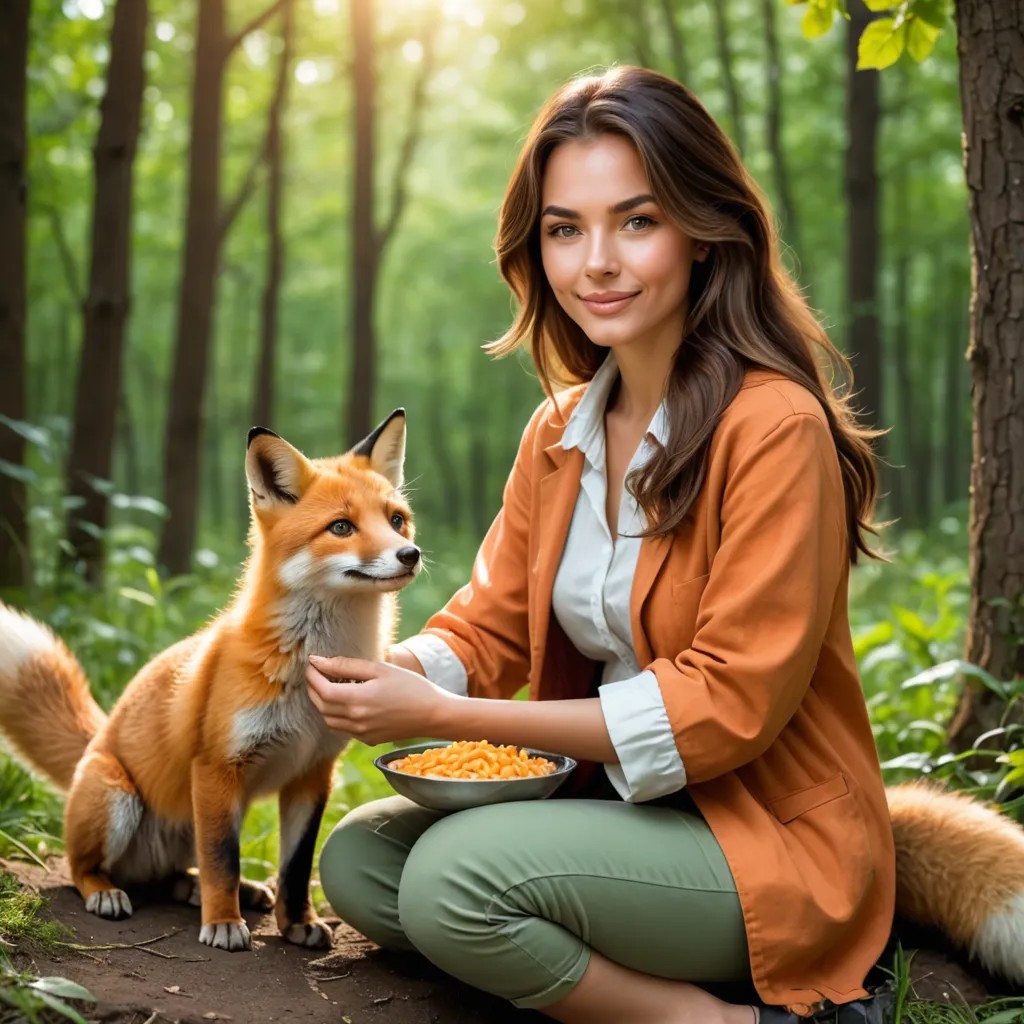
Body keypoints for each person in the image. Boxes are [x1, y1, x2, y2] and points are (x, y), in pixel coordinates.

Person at [306, 66, 895, 1024]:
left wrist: (453, 721)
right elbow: (489, 627)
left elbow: (726, 704)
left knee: (454, 879)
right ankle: (587, 951)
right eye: (565, 229)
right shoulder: (561, 431)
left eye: (638, 221)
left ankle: (719, 1021)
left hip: (763, 835)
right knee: (364, 863)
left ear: (706, 234)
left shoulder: (773, 426)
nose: (596, 264)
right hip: (625, 812)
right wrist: (381, 673)